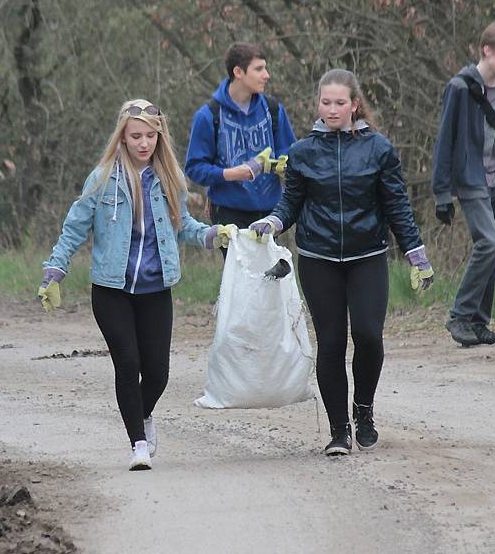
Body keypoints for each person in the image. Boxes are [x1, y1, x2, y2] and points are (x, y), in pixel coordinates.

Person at [38, 99, 234, 470]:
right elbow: (73, 229)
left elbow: (184, 227)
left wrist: (213, 235)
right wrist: (54, 271)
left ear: (159, 137)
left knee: (158, 372)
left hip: (156, 289)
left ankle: (141, 415)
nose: (144, 143)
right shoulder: (101, 179)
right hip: (111, 291)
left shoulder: (170, 179)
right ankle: (138, 444)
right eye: (136, 136)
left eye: (150, 136)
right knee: (128, 364)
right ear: (122, 138)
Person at [249, 69, 434, 456]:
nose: (332, 109)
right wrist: (272, 222)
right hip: (319, 258)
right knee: (331, 343)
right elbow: (291, 204)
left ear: (354, 105)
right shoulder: (302, 152)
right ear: (318, 104)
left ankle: (363, 411)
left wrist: (416, 253)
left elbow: (397, 205)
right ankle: (338, 431)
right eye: (325, 102)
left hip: (367, 255)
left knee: (368, 335)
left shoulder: (378, 149)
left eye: (340, 103)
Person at [431, 20, 495, 347]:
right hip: (470, 178)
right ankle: (459, 315)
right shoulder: (460, 87)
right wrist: (442, 192)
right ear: (487, 50)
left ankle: (479, 323)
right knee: (489, 244)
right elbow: (445, 139)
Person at [185, 42, 296, 255]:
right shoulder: (208, 115)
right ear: (238, 72)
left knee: (269, 280)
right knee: (241, 283)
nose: (266, 75)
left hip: (270, 212)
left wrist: (280, 165)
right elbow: (194, 168)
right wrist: (230, 174)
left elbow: (290, 151)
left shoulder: (273, 110)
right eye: (259, 69)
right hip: (229, 215)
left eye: (266, 68)